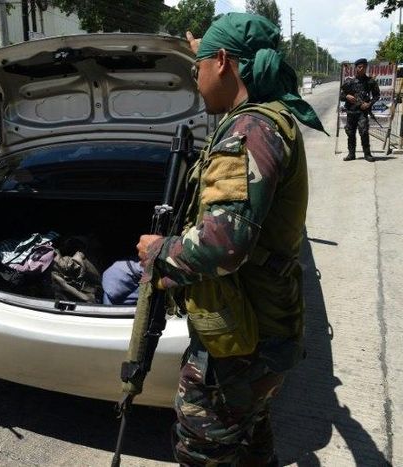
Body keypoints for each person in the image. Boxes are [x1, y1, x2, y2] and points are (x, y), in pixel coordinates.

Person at [136, 13, 326, 466]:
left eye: (197, 66)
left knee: (202, 449)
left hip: (245, 342)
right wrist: (203, 45)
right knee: (250, 441)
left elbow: (223, 245)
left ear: (222, 62)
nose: (194, 79)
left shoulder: (249, 130)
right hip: (257, 330)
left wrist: (157, 252)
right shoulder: (267, 119)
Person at [340, 58, 380, 162]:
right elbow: (341, 95)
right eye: (359, 67)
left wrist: (368, 104)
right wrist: (347, 96)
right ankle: (351, 154)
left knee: (364, 132)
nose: (361, 69)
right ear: (356, 68)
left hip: (362, 112)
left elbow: (377, 96)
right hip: (351, 112)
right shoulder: (349, 82)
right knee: (350, 133)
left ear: (366, 68)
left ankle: (367, 154)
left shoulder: (370, 81)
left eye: (364, 67)